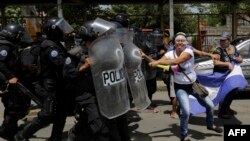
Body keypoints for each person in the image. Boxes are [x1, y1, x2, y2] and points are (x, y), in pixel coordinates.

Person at [148, 33, 222, 141]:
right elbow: (160, 62)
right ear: (174, 43)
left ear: (186, 43)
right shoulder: (169, 54)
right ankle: (184, 135)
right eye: (178, 40)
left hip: (194, 85)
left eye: (182, 40)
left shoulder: (189, 51)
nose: (180, 42)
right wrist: (148, 58)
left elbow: (176, 61)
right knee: (186, 112)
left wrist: (158, 62)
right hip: (180, 87)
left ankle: (210, 124)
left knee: (210, 105)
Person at [14, 17, 74, 141]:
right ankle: (21, 135)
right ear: (54, 31)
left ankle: (55, 137)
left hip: (59, 84)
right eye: (62, 30)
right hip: (50, 85)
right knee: (47, 114)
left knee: (61, 114)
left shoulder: (56, 44)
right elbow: (61, 63)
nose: (65, 32)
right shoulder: (50, 46)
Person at [66, 19, 126, 141]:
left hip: (102, 93)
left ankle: (75, 134)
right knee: (101, 129)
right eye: (100, 34)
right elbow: (67, 75)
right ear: (91, 34)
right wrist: (83, 67)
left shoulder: (102, 50)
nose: (103, 36)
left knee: (108, 123)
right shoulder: (76, 53)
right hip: (87, 96)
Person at [0, 23, 31, 140]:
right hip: (7, 82)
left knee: (14, 107)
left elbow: (11, 63)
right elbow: (1, 63)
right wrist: (10, 77)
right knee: (13, 107)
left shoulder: (9, 45)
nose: (20, 38)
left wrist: (25, 67)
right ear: (12, 35)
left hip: (10, 80)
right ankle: (5, 131)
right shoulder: (4, 46)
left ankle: (11, 130)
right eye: (19, 35)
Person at [213, 32, 242, 119]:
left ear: (229, 41)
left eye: (224, 40)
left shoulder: (233, 48)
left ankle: (227, 107)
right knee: (224, 92)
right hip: (221, 75)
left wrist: (237, 59)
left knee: (233, 91)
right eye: (221, 40)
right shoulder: (218, 50)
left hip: (231, 75)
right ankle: (221, 112)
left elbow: (240, 58)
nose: (221, 42)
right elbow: (215, 62)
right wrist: (227, 64)